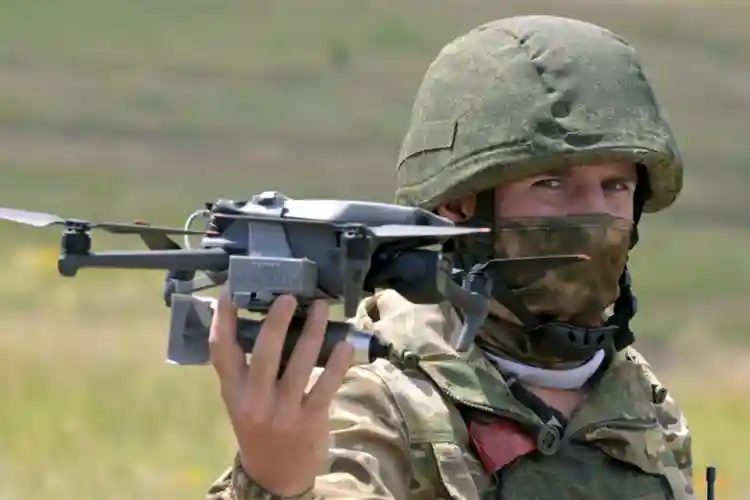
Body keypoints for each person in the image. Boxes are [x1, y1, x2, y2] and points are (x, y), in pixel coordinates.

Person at [205, 15, 695, 500]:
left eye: (615, 186)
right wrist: (279, 486)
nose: (594, 215)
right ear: (460, 204)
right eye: (551, 184)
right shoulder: (376, 394)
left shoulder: (639, 403)